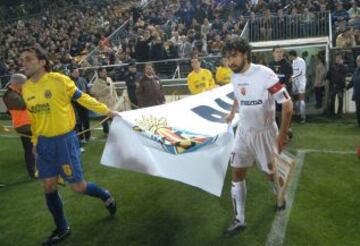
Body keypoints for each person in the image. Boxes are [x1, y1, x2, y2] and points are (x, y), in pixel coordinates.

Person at [20, 47, 118, 245]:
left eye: (28, 59)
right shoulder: (26, 88)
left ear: (42, 62)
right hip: (44, 144)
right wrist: (34, 141)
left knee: (78, 187)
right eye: (22, 60)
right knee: (48, 186)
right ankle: (62, 227)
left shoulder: (59, 80)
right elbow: (34, 118)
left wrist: (107, 111)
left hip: (65, 141)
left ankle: (104, 194)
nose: (24, 63)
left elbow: (82, 97)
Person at [223, 38, 293, 235]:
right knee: (236, 173)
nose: (230, 62)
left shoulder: (265, 74)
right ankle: (239, 219)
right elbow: (238, 95)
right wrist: (232, 112)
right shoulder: (234, 75)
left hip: (265, 134)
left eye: (234, 56)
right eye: (227, 58)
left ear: (245, 54)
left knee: (270, 174)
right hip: (244, 133)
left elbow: (287, 105)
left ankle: (278, 194)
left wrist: (282, 136)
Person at [3, 73, 36, 178]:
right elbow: (23, 104)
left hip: (30, 123)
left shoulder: (17, 92)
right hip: (24, 126)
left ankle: (40, 167)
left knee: (38, 146)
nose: (26, 85)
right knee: (30, 149)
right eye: (24, 83)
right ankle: (32, 172)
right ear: (17, 83)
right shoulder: (9, 95)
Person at [269, 46, 293, 137]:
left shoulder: (287, 65)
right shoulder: (270, 64)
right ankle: (279, 130)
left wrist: (284, 86)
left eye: (280, 52)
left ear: (283, 53)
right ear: (273, 53)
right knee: (275, 111)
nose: (279, 53)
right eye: (277, 52)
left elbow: (289, 79)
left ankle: (288, 127)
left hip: (284, 92)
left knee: (285, 111)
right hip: (274, 91)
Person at [90, 68, 119, 134]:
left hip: (112, 101)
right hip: (103, 102)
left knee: (114, 117)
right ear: (99, 73)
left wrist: (116, 97)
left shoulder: (109, 79)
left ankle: (115, 130)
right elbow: (93, 92)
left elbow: (113, 88)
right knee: (104, 118)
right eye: (103, 72)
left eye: (105, 72)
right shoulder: (96, 82)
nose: (104, 73)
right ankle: (106, 131)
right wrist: (104, 90)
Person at [70, 67, 91, 143]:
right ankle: (81, 138)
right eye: (75, 72)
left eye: (77, 72)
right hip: (76, 104)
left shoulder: (83, 79)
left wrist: (86, 91)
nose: (77, 73)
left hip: (84, 102)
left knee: (86, 120)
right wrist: (82, 92)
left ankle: (88, 136)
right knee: (78, 122)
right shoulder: (70, 82)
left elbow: (88, 88)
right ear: (71, 73)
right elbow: (71, 94)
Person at [327, 54, 347, 118]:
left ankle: (339, 114)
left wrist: (342, 65)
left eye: (339, 58)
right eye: (336, 58)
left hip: (340, 87)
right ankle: (332, 114)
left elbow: (345, 72)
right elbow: (328, 75)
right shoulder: (332, 66)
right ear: (335, 59)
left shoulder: (343, 66)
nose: (337, 59)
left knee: (340, 101)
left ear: (341, 59)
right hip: (332, 86)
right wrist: (327, 80)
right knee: (331, 101)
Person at [289, 50, 306, 123]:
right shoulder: (293, 61)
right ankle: (297, 115)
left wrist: (292, 77)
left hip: (301, 82)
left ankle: (303, 117)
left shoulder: (301, 61)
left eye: (289, 56)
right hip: (294, 82)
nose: (289, 57)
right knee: (294, 99)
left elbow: (301, 72)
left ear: (292, 55)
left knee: (301, 100)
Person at [346, 55, 360, 126]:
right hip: (357, 94)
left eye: (359, 61)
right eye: (357, 61)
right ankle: (359, 123)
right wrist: (347, 87)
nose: (358, 62)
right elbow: (352, 81)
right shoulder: (356, 71)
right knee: (358, 110)